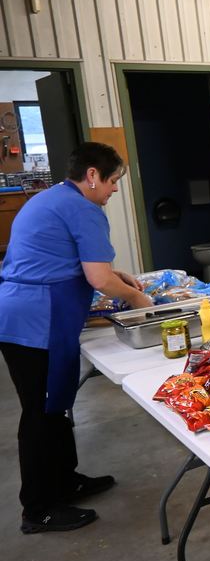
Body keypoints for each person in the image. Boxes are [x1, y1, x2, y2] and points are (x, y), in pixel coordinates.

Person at [0, 142, 152, 534]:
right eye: (114, 180)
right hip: (36, 320)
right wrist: (138, 299)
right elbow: (96, 278)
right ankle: (38, 509)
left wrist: (116, 276)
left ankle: (66, 481)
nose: (115, 189)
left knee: (57, 406)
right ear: (92, 176)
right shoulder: (85, 208)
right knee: (41, 413)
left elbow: (76, 261)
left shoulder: (53, 198)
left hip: (27, 312)